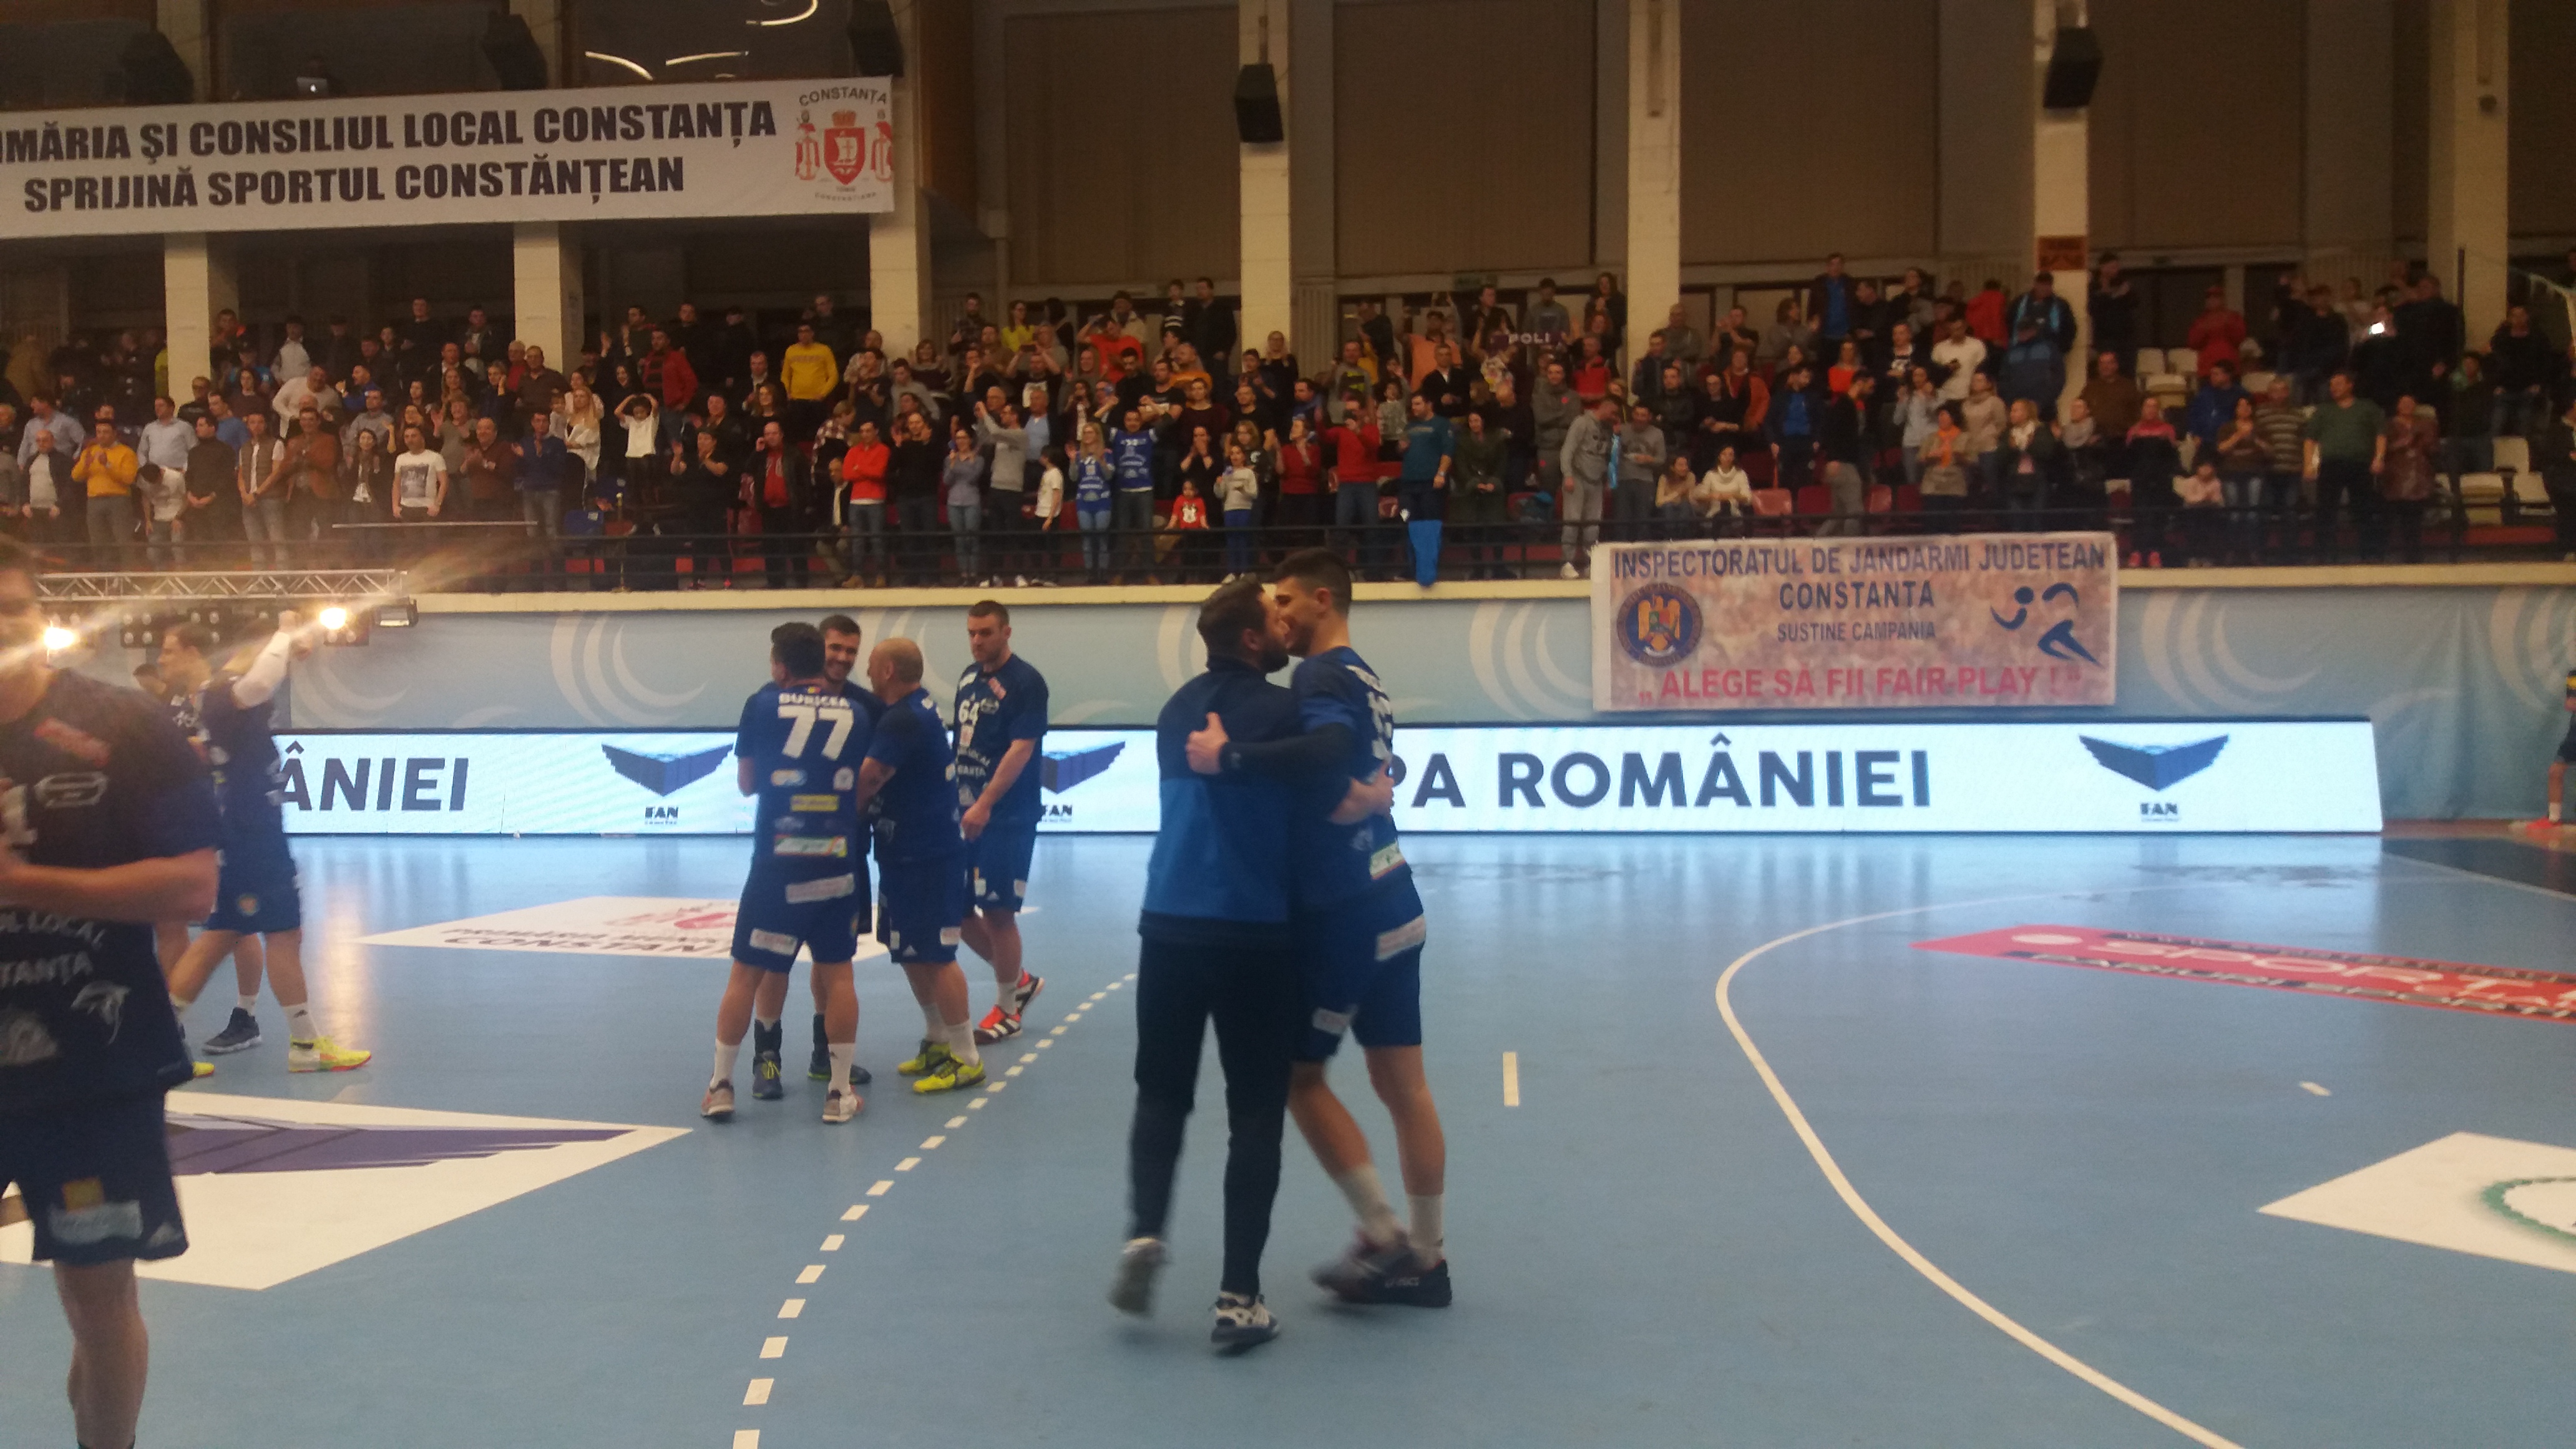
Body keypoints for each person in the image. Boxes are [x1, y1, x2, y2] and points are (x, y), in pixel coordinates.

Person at [0, 535, 222, 1449]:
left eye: (12, 608)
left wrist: (23, 884)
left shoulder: (127, 726)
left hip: (94, 1068)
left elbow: (194, 886)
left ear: (41, 618)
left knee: (98, 1302)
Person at [1111, 578, 1372, 1347]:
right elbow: (1328, 782)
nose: (1285, 623)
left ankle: (1145, 1231)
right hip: (1254, 934)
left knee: (1161, 1094)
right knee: (1255, 1112)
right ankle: (1239, 1298)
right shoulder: (1286, 711)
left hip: (1168, 926)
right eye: (1273, 617)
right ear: (1254, 640)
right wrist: (1367, 797)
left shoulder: (1174, 711)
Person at [1187, 549, 1448, 1310]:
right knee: (1405, 1088)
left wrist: (1231, 756)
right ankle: (1428, 1257)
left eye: (1286, 601)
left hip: (1345, 914)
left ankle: (1384, 1236)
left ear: (1322, 600)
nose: (1279, 615)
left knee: (1298, 1077)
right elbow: (1367, 759)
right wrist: (1370, 793)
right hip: (1396, 895)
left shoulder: (1319, 675)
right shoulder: (1366, 674)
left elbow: (1331, 757)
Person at [159, 619, 371, 1074]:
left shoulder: (219, 689)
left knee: (221, 936)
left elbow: (251, 669)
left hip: (242, 828)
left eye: (168, 650)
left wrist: (286, 646)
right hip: (252, 831)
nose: (161, 659)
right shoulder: (221, 693)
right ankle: (306, 1047)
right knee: (281, 933)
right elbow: (258, 680)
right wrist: (285, 632)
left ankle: (156, 1046)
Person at [700, 623, 867, 1125]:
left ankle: (722, 1086)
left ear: (779, 666)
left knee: (746, 974)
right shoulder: (857, 712)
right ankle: (838, 1093)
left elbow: (748, 783)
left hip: (779, 862)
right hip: (837, 859)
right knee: (838, 974)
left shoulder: (762, 704)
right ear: (821, 661)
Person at [854, 638, 984, 1096]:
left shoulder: (903, 719)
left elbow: (869, 778)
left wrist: (839, 815)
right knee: (910, 950)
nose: (866, 673)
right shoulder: (915, 707)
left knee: (936, 954)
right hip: (903, 851)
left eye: (871, 665)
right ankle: (938, 1038)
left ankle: (967, 1057)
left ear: (888, 670)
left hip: (927, 855)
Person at [952, 601, 1050, 1045]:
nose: (977, 641)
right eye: (972, 633)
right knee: (956, 908)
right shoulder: (967, 678)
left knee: (998, 911)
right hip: (965, 812)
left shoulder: (1026, 682)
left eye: (986, 633)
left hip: (1007, 815)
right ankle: (1020, 981)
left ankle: (1009, 1009)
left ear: (1006, 632)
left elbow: (1021, 749)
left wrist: (986, 804)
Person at [2533, 668, 2576, 832]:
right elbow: (2570, 704)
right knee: (2555, 772)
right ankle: (2553, 819)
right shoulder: (2574, 675)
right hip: (2574, 736)